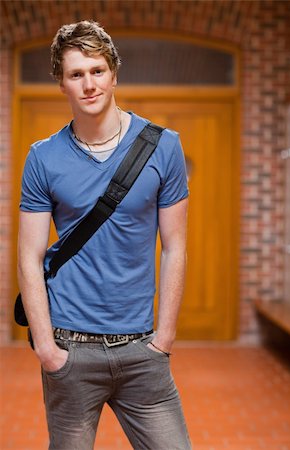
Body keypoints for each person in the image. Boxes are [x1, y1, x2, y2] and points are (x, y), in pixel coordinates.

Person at [17, 20, 190, 450]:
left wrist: (164, 338)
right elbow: (29, 255)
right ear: (62, 84)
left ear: (114, 73)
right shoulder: (43, 157)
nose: (89, 84)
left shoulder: (163, 146)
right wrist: (46, 348)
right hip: (70, 350)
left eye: (97, 71)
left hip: (142, 350)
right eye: (76, 74)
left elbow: (176, 246)